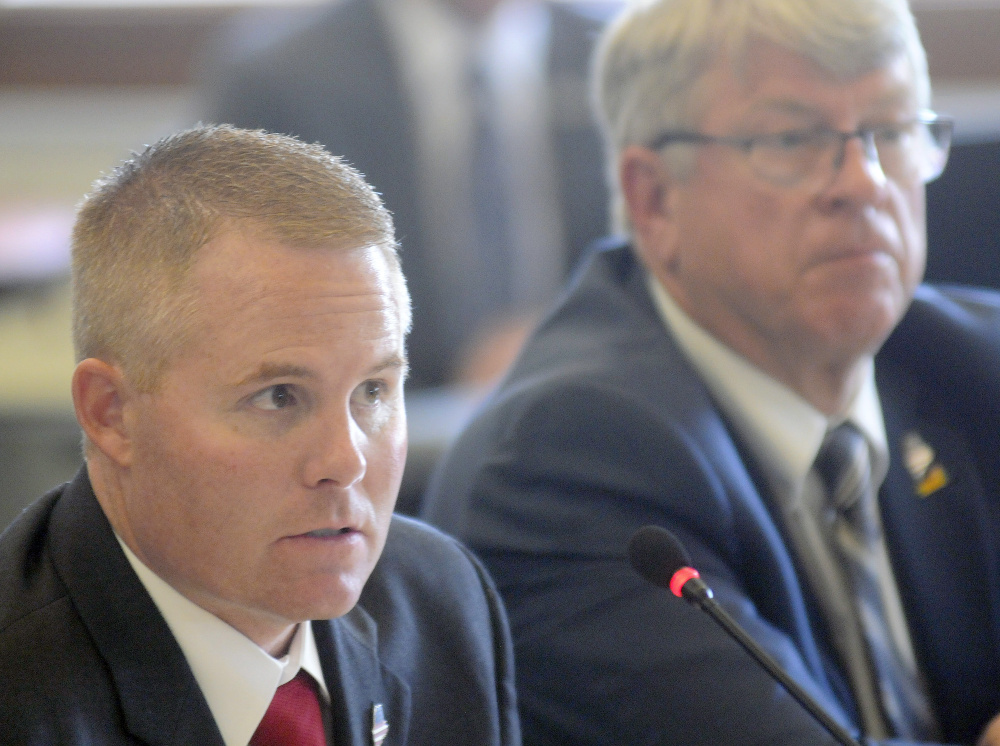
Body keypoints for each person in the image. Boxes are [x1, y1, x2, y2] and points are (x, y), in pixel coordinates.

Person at [421, 0, 1000, 744]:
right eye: (794, 138)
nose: (864, 182)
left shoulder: (971, 369)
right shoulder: (564, 462)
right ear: (654, 199)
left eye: (890, 131)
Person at [0, 125, 520, 746]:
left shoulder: (437, 604)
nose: (345, 460)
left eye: (374, 391)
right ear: (112, 413)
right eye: (279, 397)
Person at [200, 0, 615, 392]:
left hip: (585, 405)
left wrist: (555, 342)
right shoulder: (278, 78)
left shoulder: (616, 57)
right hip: (370, 427)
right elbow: (247, 305)